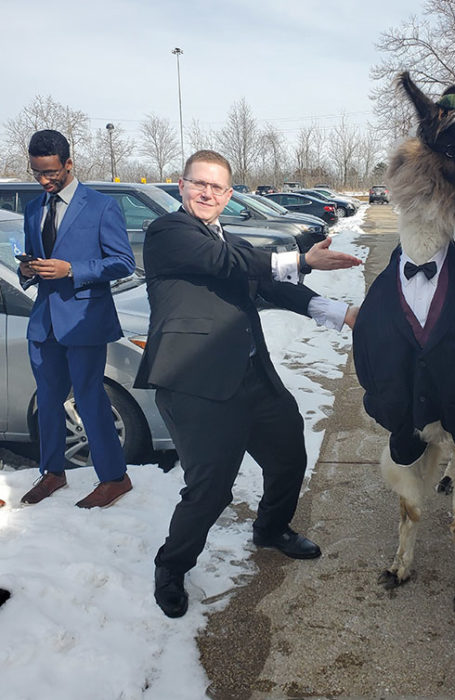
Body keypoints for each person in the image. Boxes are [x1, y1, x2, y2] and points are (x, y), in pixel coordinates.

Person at [134, 150, 362, 618]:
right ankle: (171, 568)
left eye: (217, 187)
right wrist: (303, 258)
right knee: (211, 490)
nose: (206, 193)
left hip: (252, 377)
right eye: (199, 184)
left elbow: (272, 286)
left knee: (288, 455)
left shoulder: (230, 240)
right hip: (195, 384)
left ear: (229, 195)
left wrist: (343, 313)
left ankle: (271, 529)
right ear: (181, 186)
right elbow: (225, 263)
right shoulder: (168, 234)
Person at [19, 130, 136, 509]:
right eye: (37, 173)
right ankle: (52, 472)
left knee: (88, 399)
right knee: (48, 400)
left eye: (50, 173)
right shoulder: (35, 208)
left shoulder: (101, 206)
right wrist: (28, 271)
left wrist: (72, 269)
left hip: (85, 319)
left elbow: (123, 262)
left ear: (69, 164)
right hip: (44, 320)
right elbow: (34, 256)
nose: (44, 181)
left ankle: (114, 478)